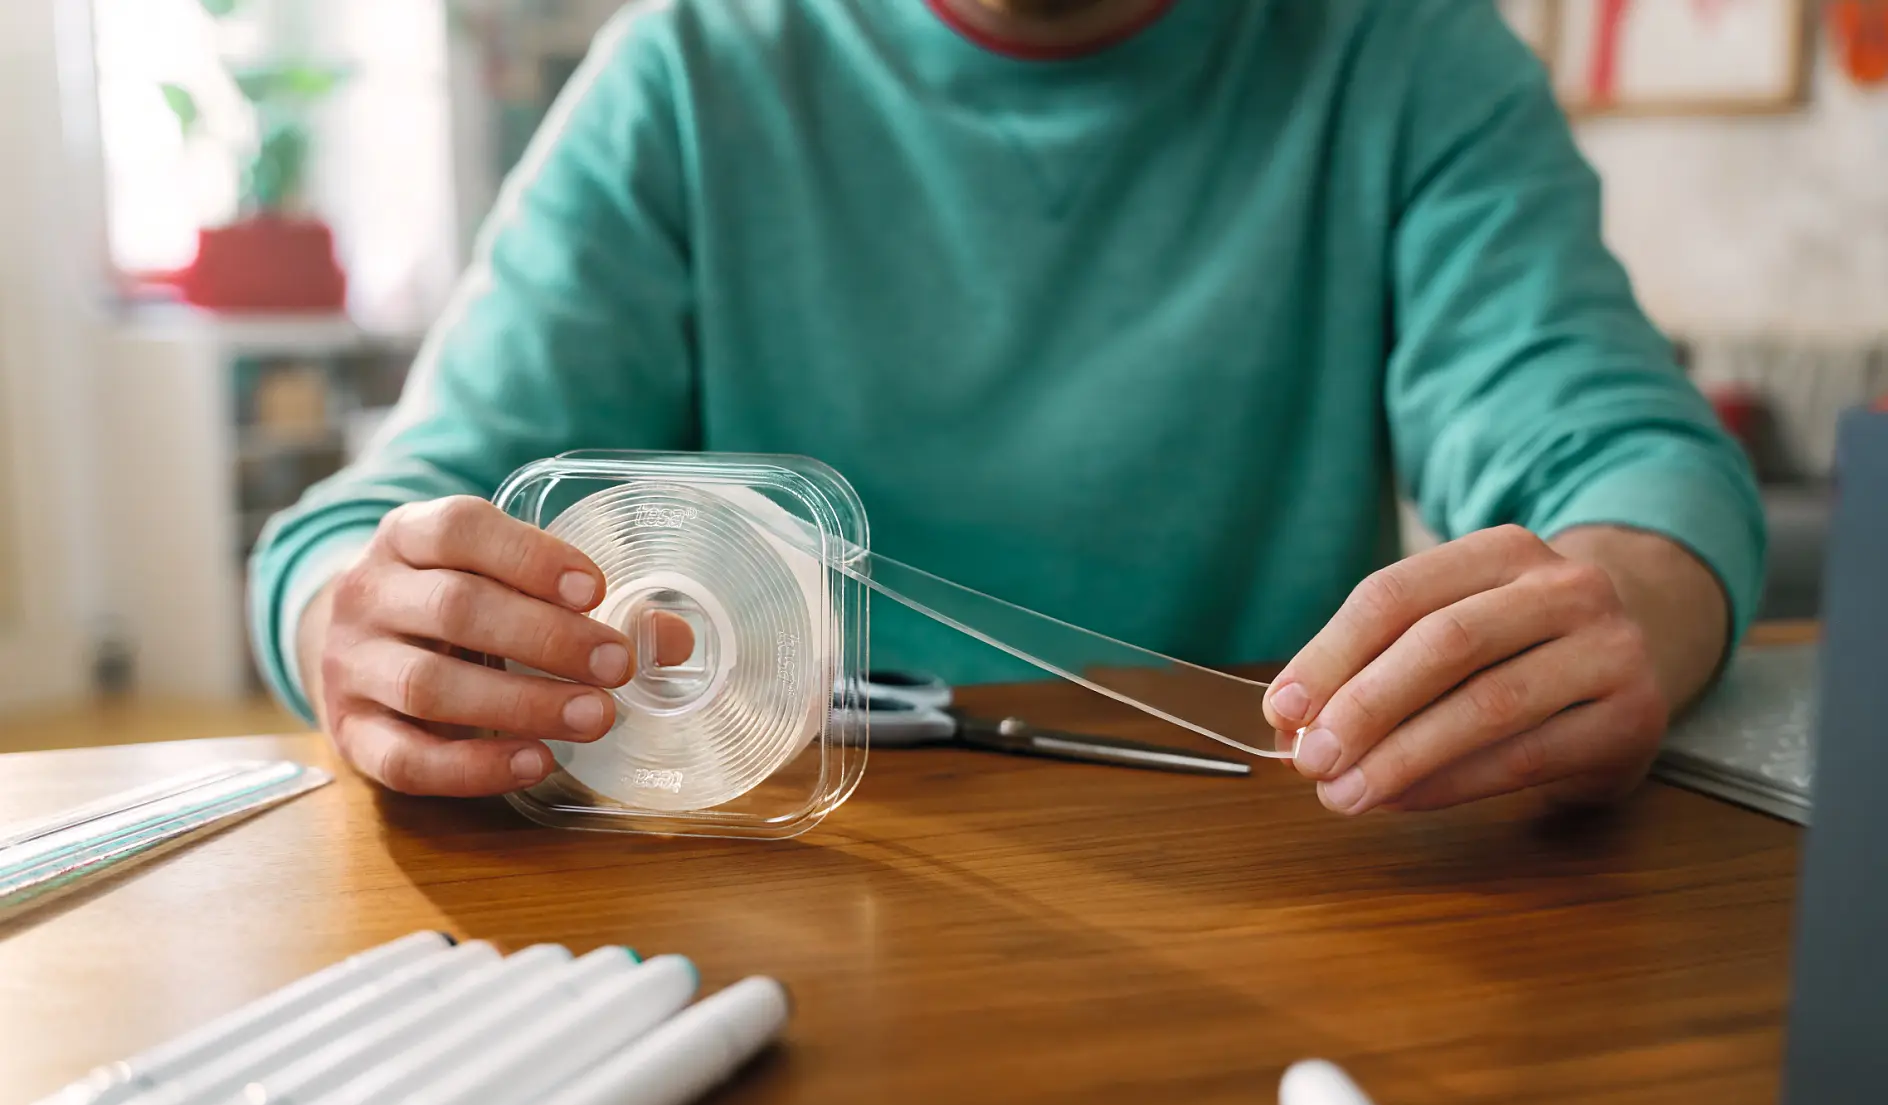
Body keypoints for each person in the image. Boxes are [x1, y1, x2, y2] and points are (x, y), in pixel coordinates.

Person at [251, 0, 1764, 813]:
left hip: (1290, 879)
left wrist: (1632, 595)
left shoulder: (1409, 56)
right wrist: (361, 627)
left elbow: (1624, 457)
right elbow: (376, 523)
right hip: (778, 905)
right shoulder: (689, 72)